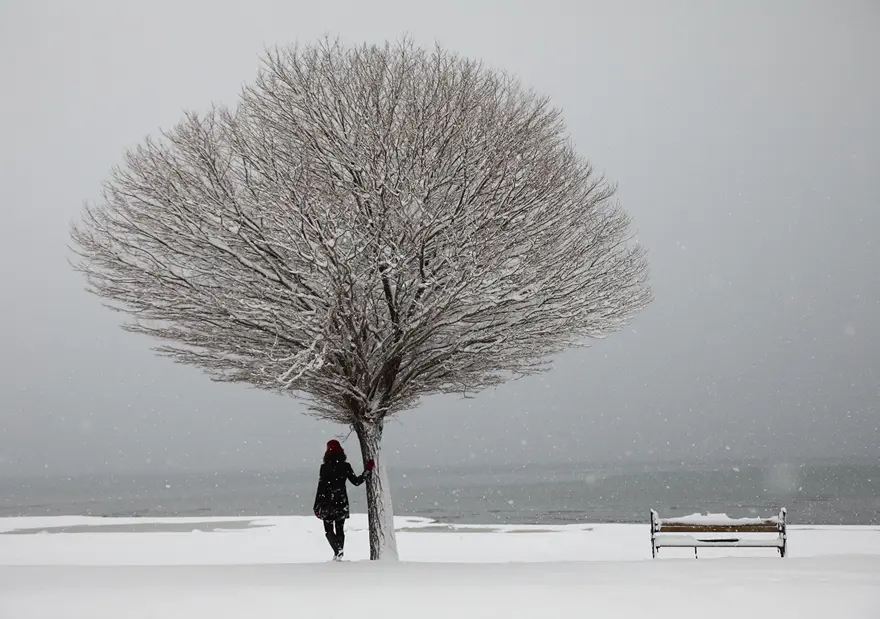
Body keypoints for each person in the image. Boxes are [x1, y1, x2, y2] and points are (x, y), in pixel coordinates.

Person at [313, 439, 374, 560]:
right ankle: (339, 552)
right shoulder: (345, 466)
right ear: (341, 451)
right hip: (341, 501)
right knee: (340, 529)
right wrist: (367, 470)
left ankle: (337, 551)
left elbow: (321, 487)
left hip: (327, 502)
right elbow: (356, 482)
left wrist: (316, 505)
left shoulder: (324, 467)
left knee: (328, 530)